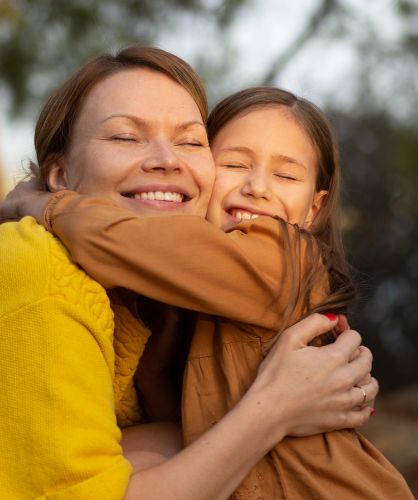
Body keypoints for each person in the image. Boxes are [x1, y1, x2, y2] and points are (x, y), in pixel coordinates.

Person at [0, 46, 379, 500]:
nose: (257, 187)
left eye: (189, 142)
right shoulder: (75, 280)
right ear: (59, 171)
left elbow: (127, 243)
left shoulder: (282, 256)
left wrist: (43, 203)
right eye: (234, 164)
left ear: (316, 207)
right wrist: (277, 406)